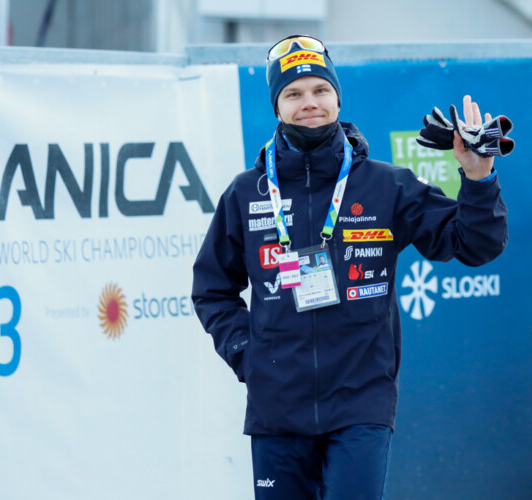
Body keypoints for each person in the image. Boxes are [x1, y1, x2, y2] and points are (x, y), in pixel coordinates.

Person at [191, 35, 507, 500]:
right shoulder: (248, 193)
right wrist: (248, 355)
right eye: (293, 94)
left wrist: (478, 176)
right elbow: (212, 289)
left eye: (320, 90)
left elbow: (475, 244)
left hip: (361, 402)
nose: (309, 103)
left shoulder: (388, 185)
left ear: (338, 97)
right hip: (276, 408)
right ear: (277, 106)